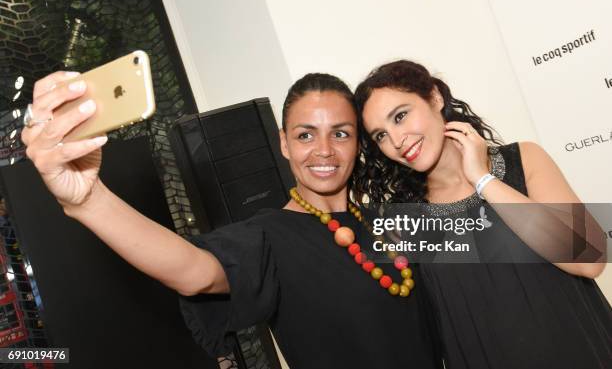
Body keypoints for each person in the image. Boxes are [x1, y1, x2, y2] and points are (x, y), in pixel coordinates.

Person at [22, 70, 442, 369]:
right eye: (305, 134)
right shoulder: (269, 238)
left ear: (358, 143)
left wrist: (475, 172)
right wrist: (89, 200)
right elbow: (194, 272)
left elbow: (491, 252)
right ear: (283, 143)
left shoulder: (388, 223)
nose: (324, 150)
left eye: (341, 133)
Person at [352, 59, 611, 369]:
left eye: (401, 116)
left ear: (434, 98)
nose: (396, 141)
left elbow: (589, 258)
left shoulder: (523, 160)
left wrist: (483, 180)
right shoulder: (400, 219)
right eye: (380, 135)